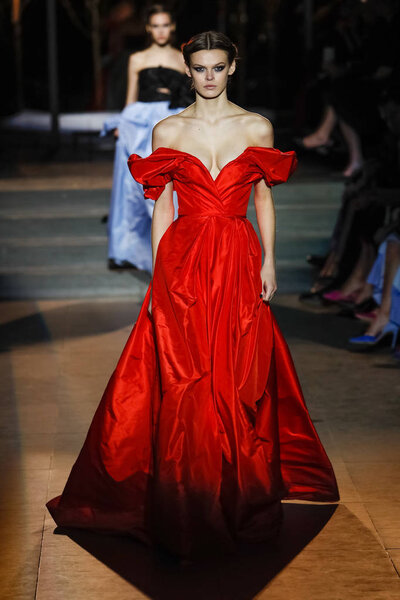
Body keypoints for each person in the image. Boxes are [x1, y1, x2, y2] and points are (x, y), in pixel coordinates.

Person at [47, 31, 339, 559]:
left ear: (233, 68)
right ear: (188, 71)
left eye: (217, 67)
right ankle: (188, 487)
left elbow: (263, 199)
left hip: (237, 256)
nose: (208, 76)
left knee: (240, 366)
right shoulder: (168, 130)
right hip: (183, 259)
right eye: (200, 68)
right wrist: (160, 274)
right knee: (184, 371)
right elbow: (160, 206)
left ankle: (236, 485)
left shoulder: (257, 126)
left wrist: (270, 260)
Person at [102, 4, 193, 272]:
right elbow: (131, 97)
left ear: (172, 27)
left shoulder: (183, 59)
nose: (161, 30)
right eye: (156, 25)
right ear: (148, 29)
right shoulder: (137, 59)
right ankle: (128, 248)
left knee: (171, 185)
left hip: (172, 122)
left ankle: (172, 247)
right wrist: (123, 124)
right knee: (132, 186)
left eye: (165, 25)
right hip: (140, 124)